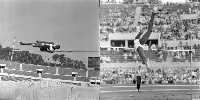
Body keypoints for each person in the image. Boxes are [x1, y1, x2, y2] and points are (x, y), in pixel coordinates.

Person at [134, 6, 159, 73]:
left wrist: (140, 33)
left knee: (149, 30)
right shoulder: (142, 55)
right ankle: (153, 14)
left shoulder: (141, 55)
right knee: (149, 30)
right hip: (139, 43)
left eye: (144, 61)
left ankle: (153, 14)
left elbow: (136, 39)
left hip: (138, 44)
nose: (145, 60)